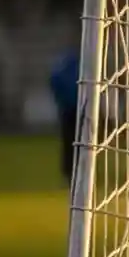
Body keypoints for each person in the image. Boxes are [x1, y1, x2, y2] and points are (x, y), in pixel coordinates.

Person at [48, 45, 81, 183]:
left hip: (68, 110)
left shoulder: (64, 68)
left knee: (70, 143)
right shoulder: (77, 67)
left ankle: (70, 172)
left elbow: (54, 82)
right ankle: (75, 172)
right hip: (77, 110)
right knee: (77, 142)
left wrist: (60, 101)